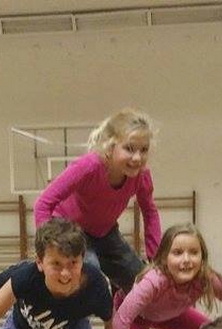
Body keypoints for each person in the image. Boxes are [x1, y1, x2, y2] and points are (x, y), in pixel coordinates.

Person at [33, 108, 158, 293]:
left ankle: (120, 306)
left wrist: (155, 258)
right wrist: (48, 250)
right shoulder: (89, 166)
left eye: (144, 150)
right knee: (90, 276)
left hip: (105, 233)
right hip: (71, 231)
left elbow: (149, 211)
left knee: (143, 280)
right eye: (129, 149)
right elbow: (43, 204)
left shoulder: (142, 175)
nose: (137, 158)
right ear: (110, 146)